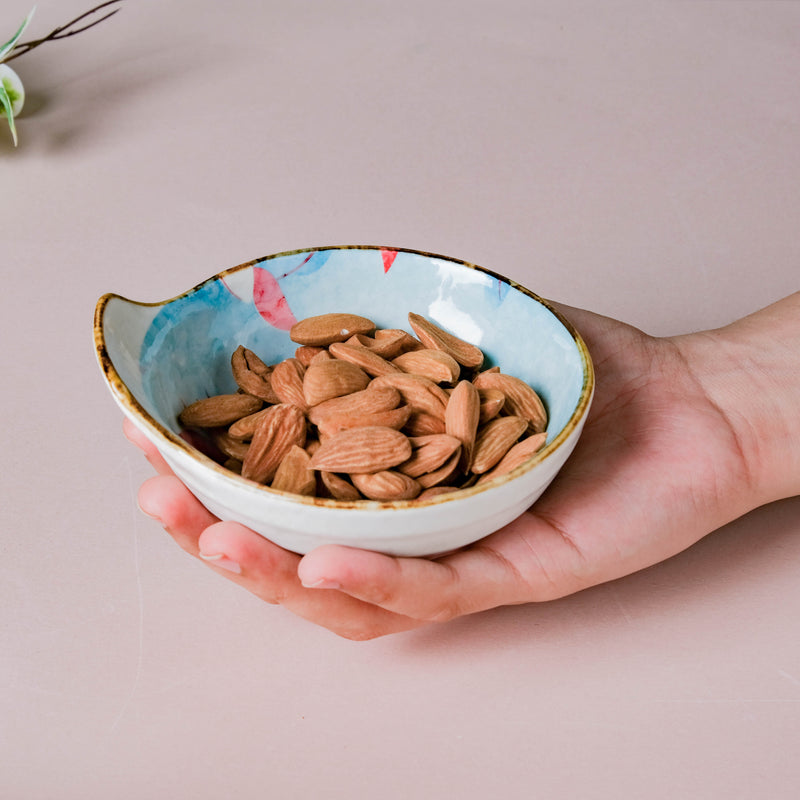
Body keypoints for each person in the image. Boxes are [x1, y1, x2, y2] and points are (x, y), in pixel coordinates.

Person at [123, 292, 800, 640]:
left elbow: (436, 395)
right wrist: (731, 400)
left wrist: (736, 407)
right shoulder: (311, 400)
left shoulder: (414, 397)